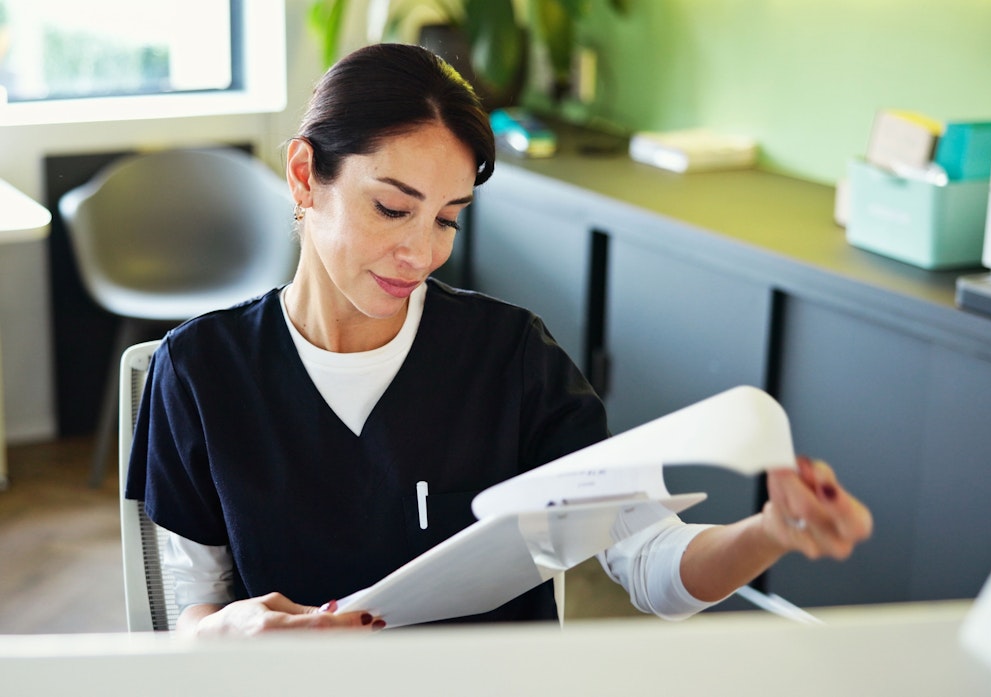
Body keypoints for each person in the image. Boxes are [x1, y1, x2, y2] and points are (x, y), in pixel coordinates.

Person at [125, 43, 872, 637]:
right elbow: (189, 611)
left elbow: (651, 563)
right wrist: (232, 631)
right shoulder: (199, 373)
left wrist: (772, 530)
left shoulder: (513, 359)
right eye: (392, 207)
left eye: (448, 218)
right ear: (303, 175)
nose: (421, 252)